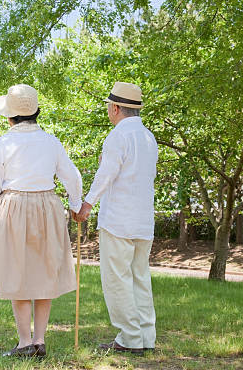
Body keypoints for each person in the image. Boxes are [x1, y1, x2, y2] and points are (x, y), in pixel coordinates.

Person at [0, 84, 83, 358]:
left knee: (18, 273)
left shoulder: (4, 143)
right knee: (44, 272)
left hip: (13, 205)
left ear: (10, 117)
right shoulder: (51, 141)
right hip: (46, 205)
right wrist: (76, 204)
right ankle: (39, 340)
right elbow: (72, 177)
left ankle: (26, 342)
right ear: (36, 112)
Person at [74, 81, 158, 355]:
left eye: (110, 107)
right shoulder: (148, 137)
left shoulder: (118, 136)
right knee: (140, 278)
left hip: (119, 220)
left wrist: (87, 204)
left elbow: (106, 174)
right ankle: (146, 336)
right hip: (143, 221)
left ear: (117, 108)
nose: (109, 111)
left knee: (117, 279)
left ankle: (131, 337)